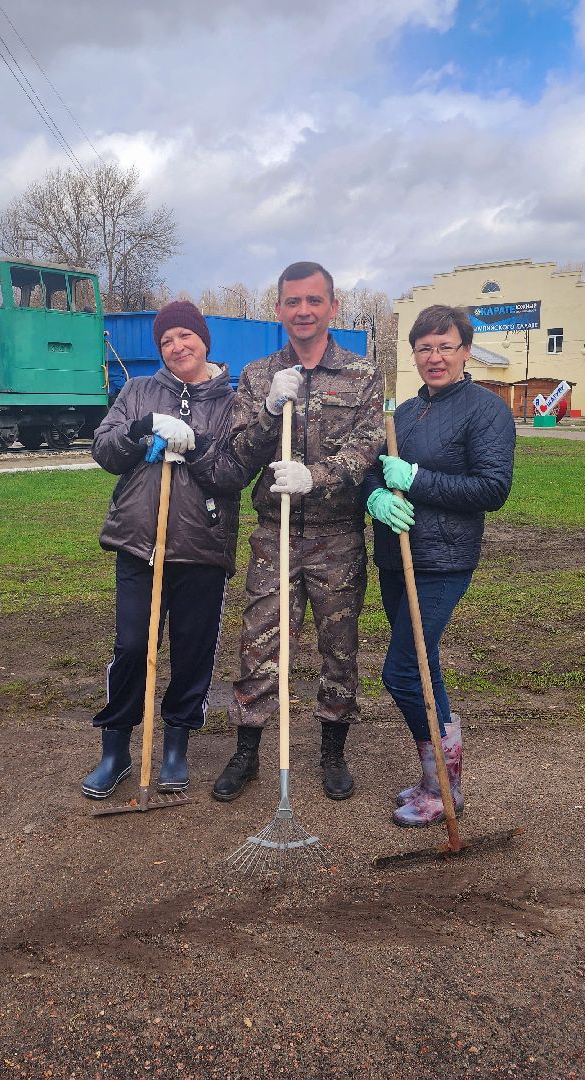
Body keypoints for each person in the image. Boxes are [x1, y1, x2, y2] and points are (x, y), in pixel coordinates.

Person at [196, 261, 385, 802]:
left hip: (337, 535)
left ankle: (333, 749)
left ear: (332, 306)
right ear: (278, 309)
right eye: (292, 302)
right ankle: (248, 750)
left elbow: (367, 447)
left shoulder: (362, 373)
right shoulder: (258, 375)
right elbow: (233, 462)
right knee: (260, 643)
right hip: (274, 531)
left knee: (338, 645)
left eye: (314, 301)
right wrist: (268, 408)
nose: (303, 311)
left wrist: (316, 476)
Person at [363, 303, 515, 827]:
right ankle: (436, 782)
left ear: (466, 352)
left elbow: (492, 488)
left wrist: (417, 479)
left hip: (443, 559)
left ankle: (446, 783)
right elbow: (373, 471)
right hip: (395, 555)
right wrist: (375, 498)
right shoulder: (402, 413)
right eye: (424, 348)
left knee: (404, 670)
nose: (434, 357)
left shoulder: (486, 410)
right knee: (425, 666)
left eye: (445, 346)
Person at [82, 300, 240, 799]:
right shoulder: (138, 391)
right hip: (139, 543)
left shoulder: (232, 402)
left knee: (193, 650)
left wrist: (195, 446)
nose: (177, 347)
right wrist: (140, 428)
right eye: (167, 340)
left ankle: (175, 747)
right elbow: (104, 452)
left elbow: (235, 473)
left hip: (201, 547)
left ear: (204, 340)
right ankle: (116, 749)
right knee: (131, 647)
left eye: (185, 336)